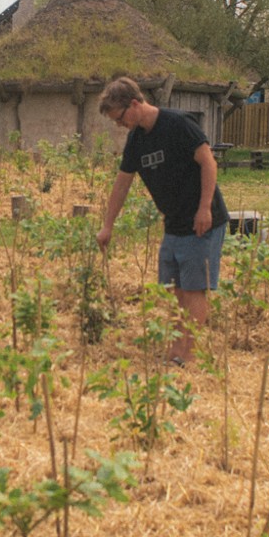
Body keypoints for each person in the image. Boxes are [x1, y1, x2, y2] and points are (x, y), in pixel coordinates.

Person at [94, 77, 228, 365]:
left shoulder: (178, 124)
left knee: (194, 289)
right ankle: (176, 349)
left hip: (201, 221)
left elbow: (208, 162)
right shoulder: (136, 140)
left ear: (134, 104)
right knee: (175, 290)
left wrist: (204, 208)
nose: (120, 125)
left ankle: (188, 355)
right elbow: (122, 183)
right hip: (174, 223)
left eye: (120, 118)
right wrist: (107, 225)